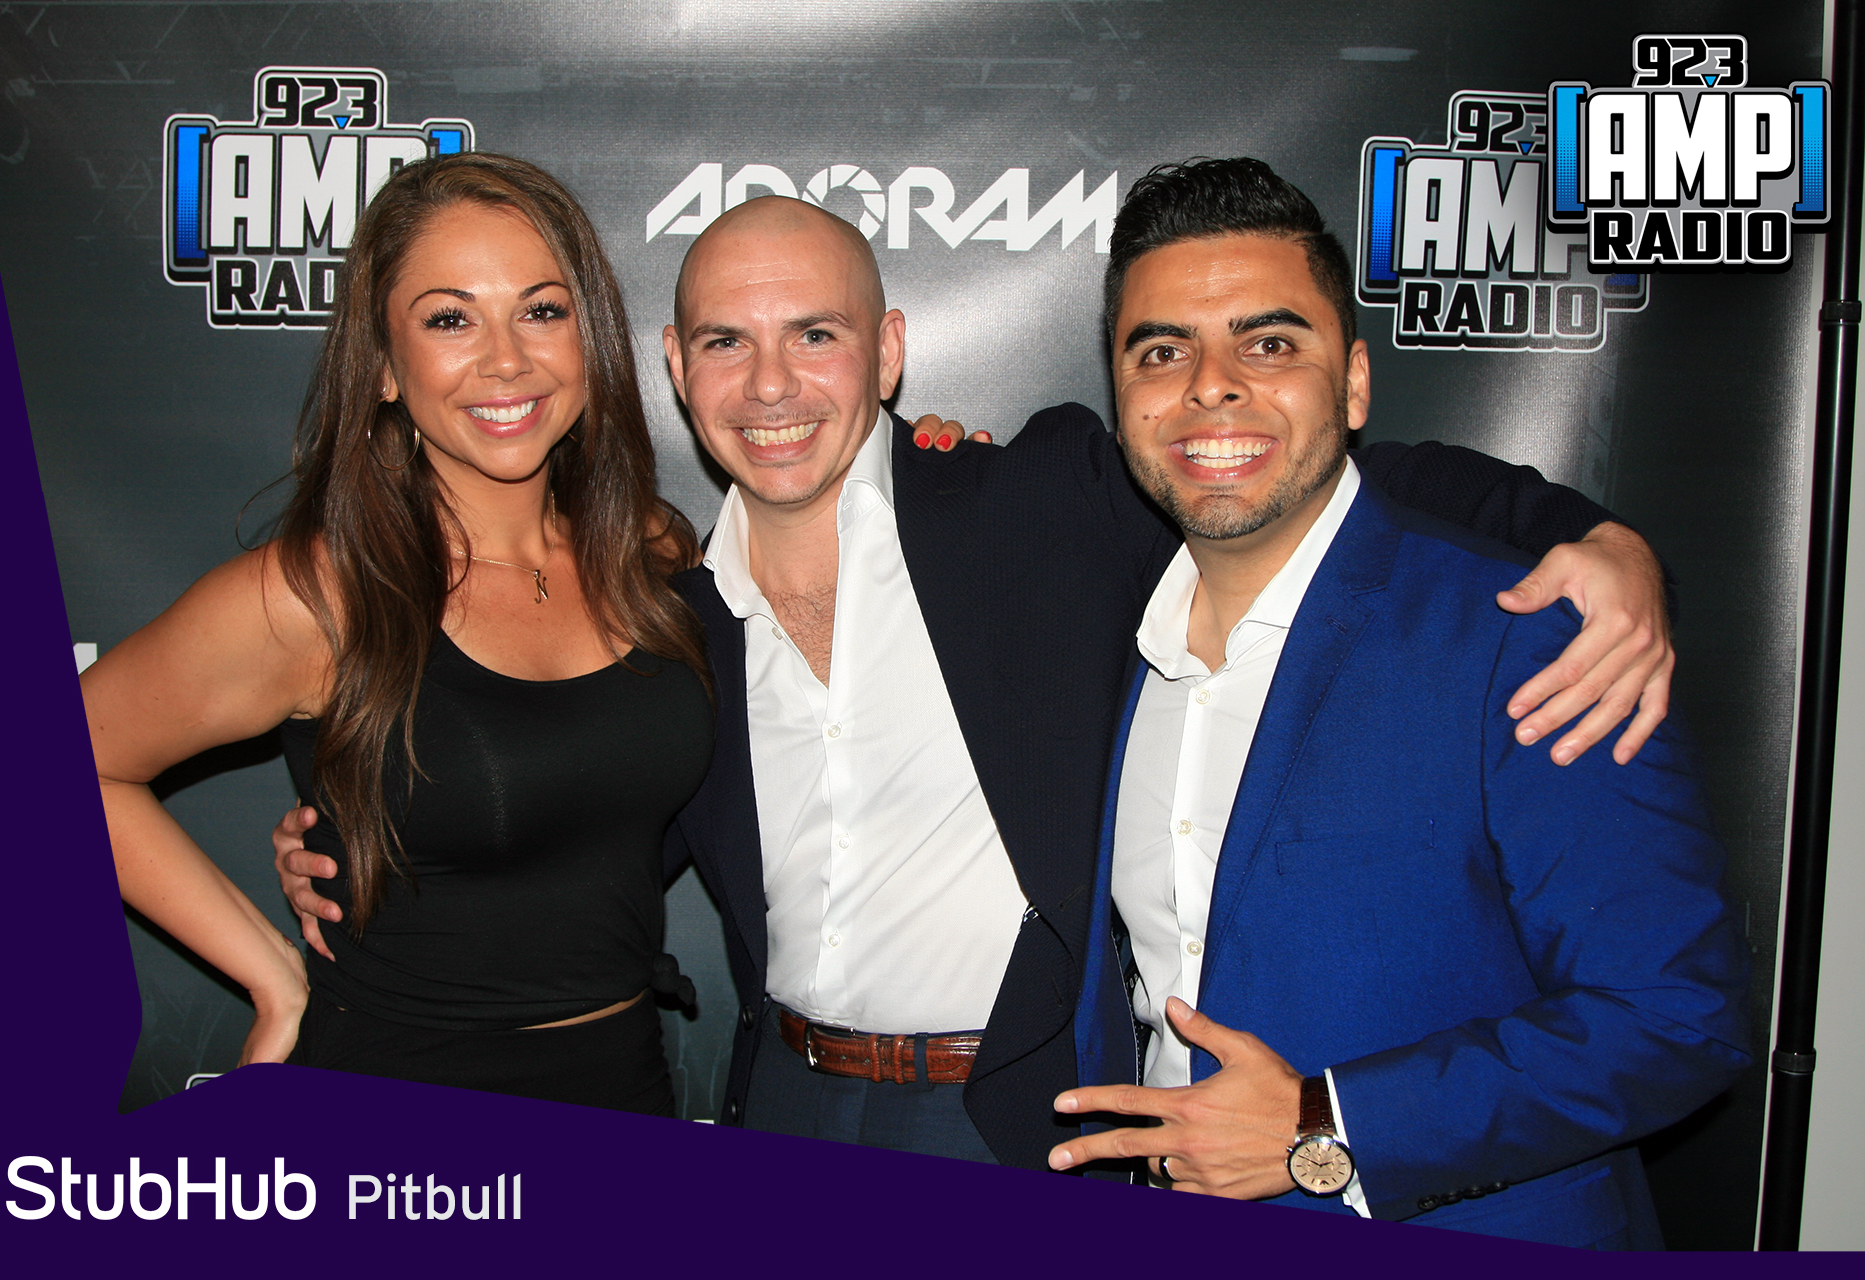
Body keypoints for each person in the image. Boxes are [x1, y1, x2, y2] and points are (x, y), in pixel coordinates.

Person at [278, 194, 1673, 1167]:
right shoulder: (665, 615)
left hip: (1016, 1120)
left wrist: (1590, 536)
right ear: (676, 371)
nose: (772, 386)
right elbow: (571, 826)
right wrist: (359, 833)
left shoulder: (1033, 500)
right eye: (726, 343)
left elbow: (1310, 470)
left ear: (887, 353)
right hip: (781, 1102)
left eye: (816, 335)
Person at [1047, 159, 1750, 1246]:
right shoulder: (1116, 641)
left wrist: (1327, 1125)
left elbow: (1677, 1014)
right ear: (1121, 394)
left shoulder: (1524, 638)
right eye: (1162, 350)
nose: (1211, 384)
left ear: (1355, 384)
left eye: (1269, 343)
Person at [86, 152, 713, 1113]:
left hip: (625, 1085)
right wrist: (270, 973)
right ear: (382, 364)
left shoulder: (653, 551)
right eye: (450, 319)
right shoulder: (317, 596)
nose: (506, 360)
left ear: (590, 338)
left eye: (543, 310)